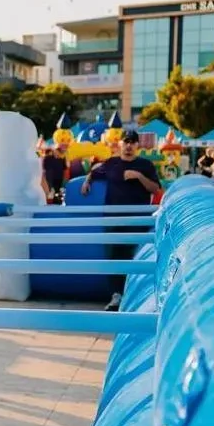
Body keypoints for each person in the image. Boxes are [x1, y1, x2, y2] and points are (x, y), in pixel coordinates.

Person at [80, 129, 161, 311]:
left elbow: (155, 189)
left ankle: (136, 299)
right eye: (126, 142)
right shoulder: (112, 163)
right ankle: (116, 296)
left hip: (138, 222)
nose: (129, 146)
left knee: (135, 257)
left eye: (133, 142)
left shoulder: (145, 165)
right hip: (113, 219)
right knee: (113, 256)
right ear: (121, 144)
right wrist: (87, 181)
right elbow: (95, 171)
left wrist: (139, 177)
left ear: (137, 145)